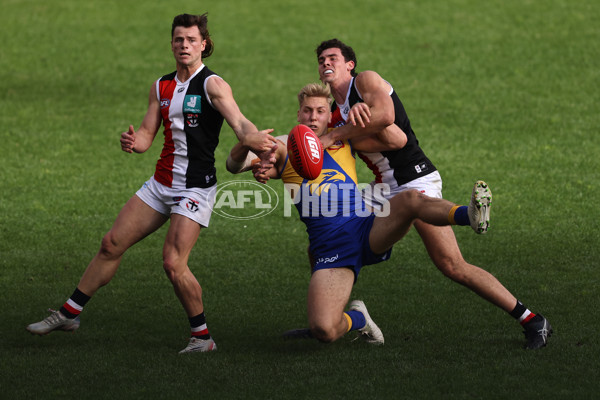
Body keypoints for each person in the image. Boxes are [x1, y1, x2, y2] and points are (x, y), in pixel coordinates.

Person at [26, 13, 275, 354]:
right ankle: (69, 314)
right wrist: (134, 143)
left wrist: (255, 139)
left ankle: (203, 338)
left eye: (190, 40)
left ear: (204, 45)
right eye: (178, 40)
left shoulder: (212, 84)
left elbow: (240, 123)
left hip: (195, 187)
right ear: (171, 44)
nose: (183, 45)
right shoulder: (162, 86)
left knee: (173, 263)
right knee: (111, 243)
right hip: (161, 183)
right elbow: (146, 135)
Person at [313, 38, 552, 349]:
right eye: (321, 60)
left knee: (451, 264)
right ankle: (331, 318)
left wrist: (337, 134)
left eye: (333, 57)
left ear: (350, 64)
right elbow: (342, 146)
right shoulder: (335, 112)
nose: (326, 63)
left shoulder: (366, 82)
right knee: (324, 238)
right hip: (381, 188)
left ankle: (532, 319)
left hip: (415, 180)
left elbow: (388, 123)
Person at [228, 83, 491, 344]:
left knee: (410, 199)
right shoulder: (285, 144)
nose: (313, 117)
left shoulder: (344, 138)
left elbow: (398, 139)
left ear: (328, 113)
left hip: (365, 227)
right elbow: (234, 165)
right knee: (325, 330)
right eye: (307, 111)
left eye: (320, 110)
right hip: (332, 245)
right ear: (299, 114)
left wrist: (364, 115)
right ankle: (358, 318)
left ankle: (468, 215)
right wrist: (247, 146)